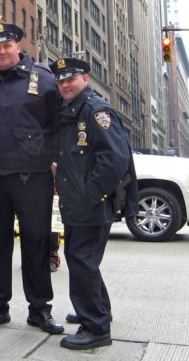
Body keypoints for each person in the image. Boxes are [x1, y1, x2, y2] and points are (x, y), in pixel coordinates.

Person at [0, 23, 63, 335]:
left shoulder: (45, 79)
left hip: (33, 179)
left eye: (7, 45)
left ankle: (39, 309)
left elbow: (61, 122)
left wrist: (55, 162)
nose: (2, 51)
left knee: (36, 246)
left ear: (18, 45)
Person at [48, 56, 138, 350]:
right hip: (77, 202)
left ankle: (96, 328)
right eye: (60, 80)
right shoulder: (72, 109)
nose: (65, 84)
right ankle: (100, 310)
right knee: (83, 260)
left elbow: (115, 159)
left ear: (85, 79)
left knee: (81, 261)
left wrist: (89, 195)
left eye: (70, 79)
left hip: (91, 203)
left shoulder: (96, 110)